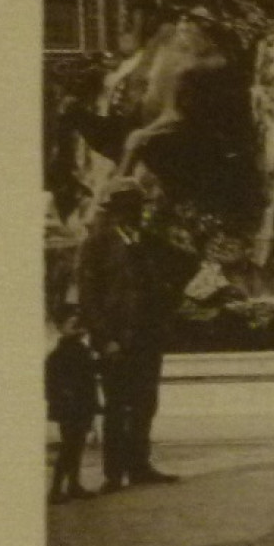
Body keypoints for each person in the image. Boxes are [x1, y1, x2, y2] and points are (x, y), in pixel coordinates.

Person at [76, 177, 192, 492]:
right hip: (117, 339)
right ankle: (113, 475)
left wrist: (168, 308)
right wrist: (104, 339)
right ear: (116, 209)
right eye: (132, 206)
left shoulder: (147, 242)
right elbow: (88, 297)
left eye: (140, 206)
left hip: (147, 337)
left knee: (145, 403)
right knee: (116, 407)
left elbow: (180, 267)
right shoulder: (97, 243)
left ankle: (140, 466)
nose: (138, 211)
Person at [45, 307, 100, 505]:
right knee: (69, 447)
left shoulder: (80, 350)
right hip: (70, 407)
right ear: (60, 328)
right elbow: (52, 386)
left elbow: (91, 376)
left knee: (76, 446)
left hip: (82, 404)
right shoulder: (58, 355)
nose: (77, 328)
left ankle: (74, 485)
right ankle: (56, 489)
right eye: (72, 324)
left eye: (78, 324)